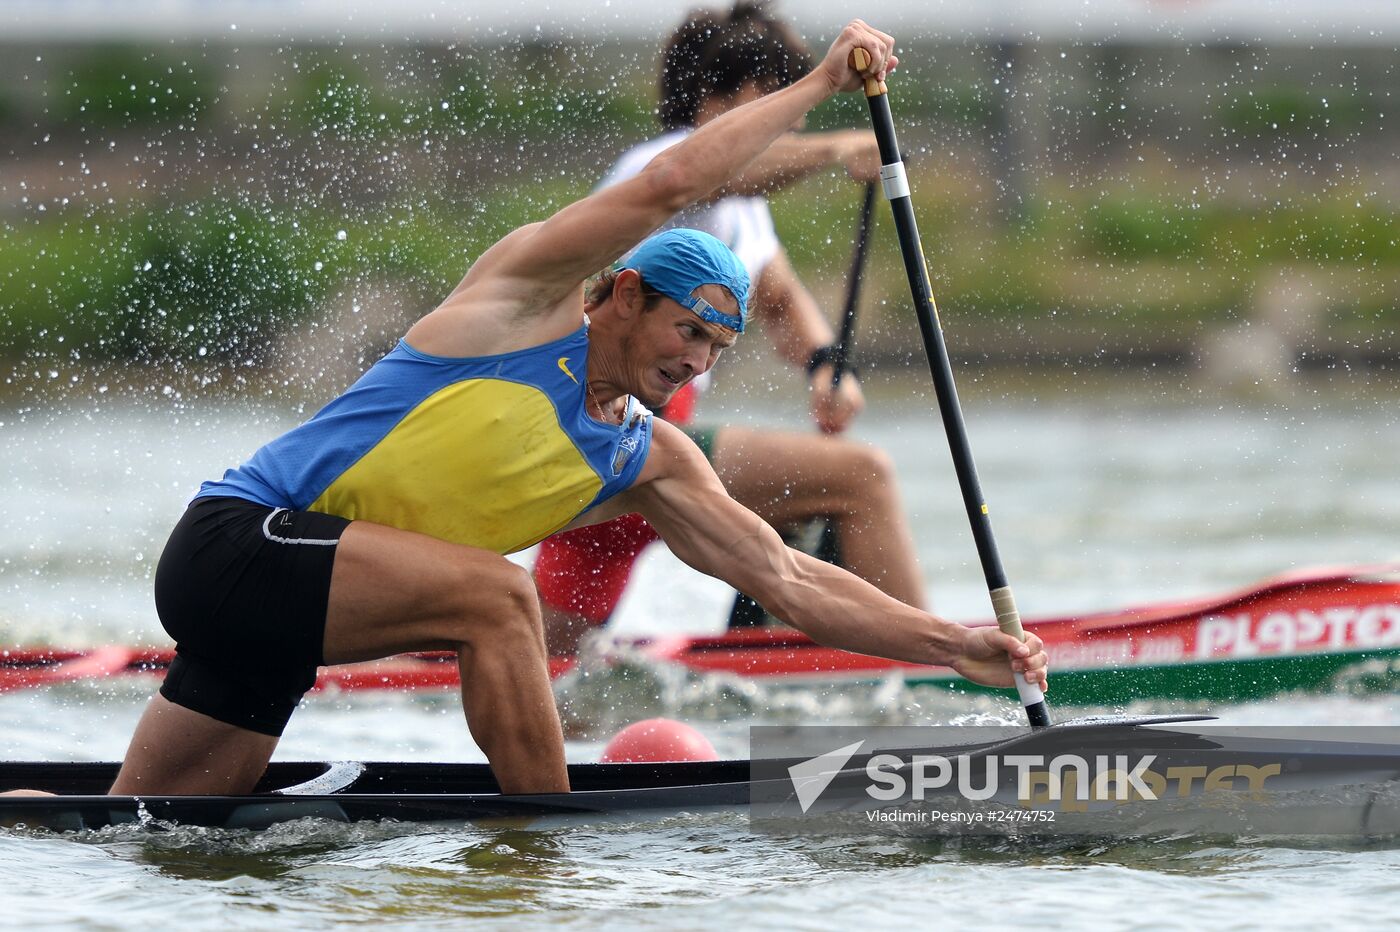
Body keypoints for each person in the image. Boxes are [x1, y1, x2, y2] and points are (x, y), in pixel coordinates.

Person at [108, 21, 1048, 798]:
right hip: (238, 543)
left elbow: (790, 580)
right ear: (626, 296)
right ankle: (546, 844)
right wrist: (816, 83)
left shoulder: (650, 454)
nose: (696, 359)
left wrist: (954, 644)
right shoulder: (523, 301)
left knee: (149, 831)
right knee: (499, 596)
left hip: (279, 626)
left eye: (716, 349)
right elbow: (674, 185)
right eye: (687, 332)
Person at [534, 2, 926, 652]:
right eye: (781, 94)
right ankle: (926, 661)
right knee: (863, 476)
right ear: (729, 96)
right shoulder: (658, 165)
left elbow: (780, 302)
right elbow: (715, 171)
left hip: (637, 455)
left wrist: (828, 365)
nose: (798, 116)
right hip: (612, 439)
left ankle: (779, 663)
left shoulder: (745, 214)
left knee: (548, 675)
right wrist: (834, 149)